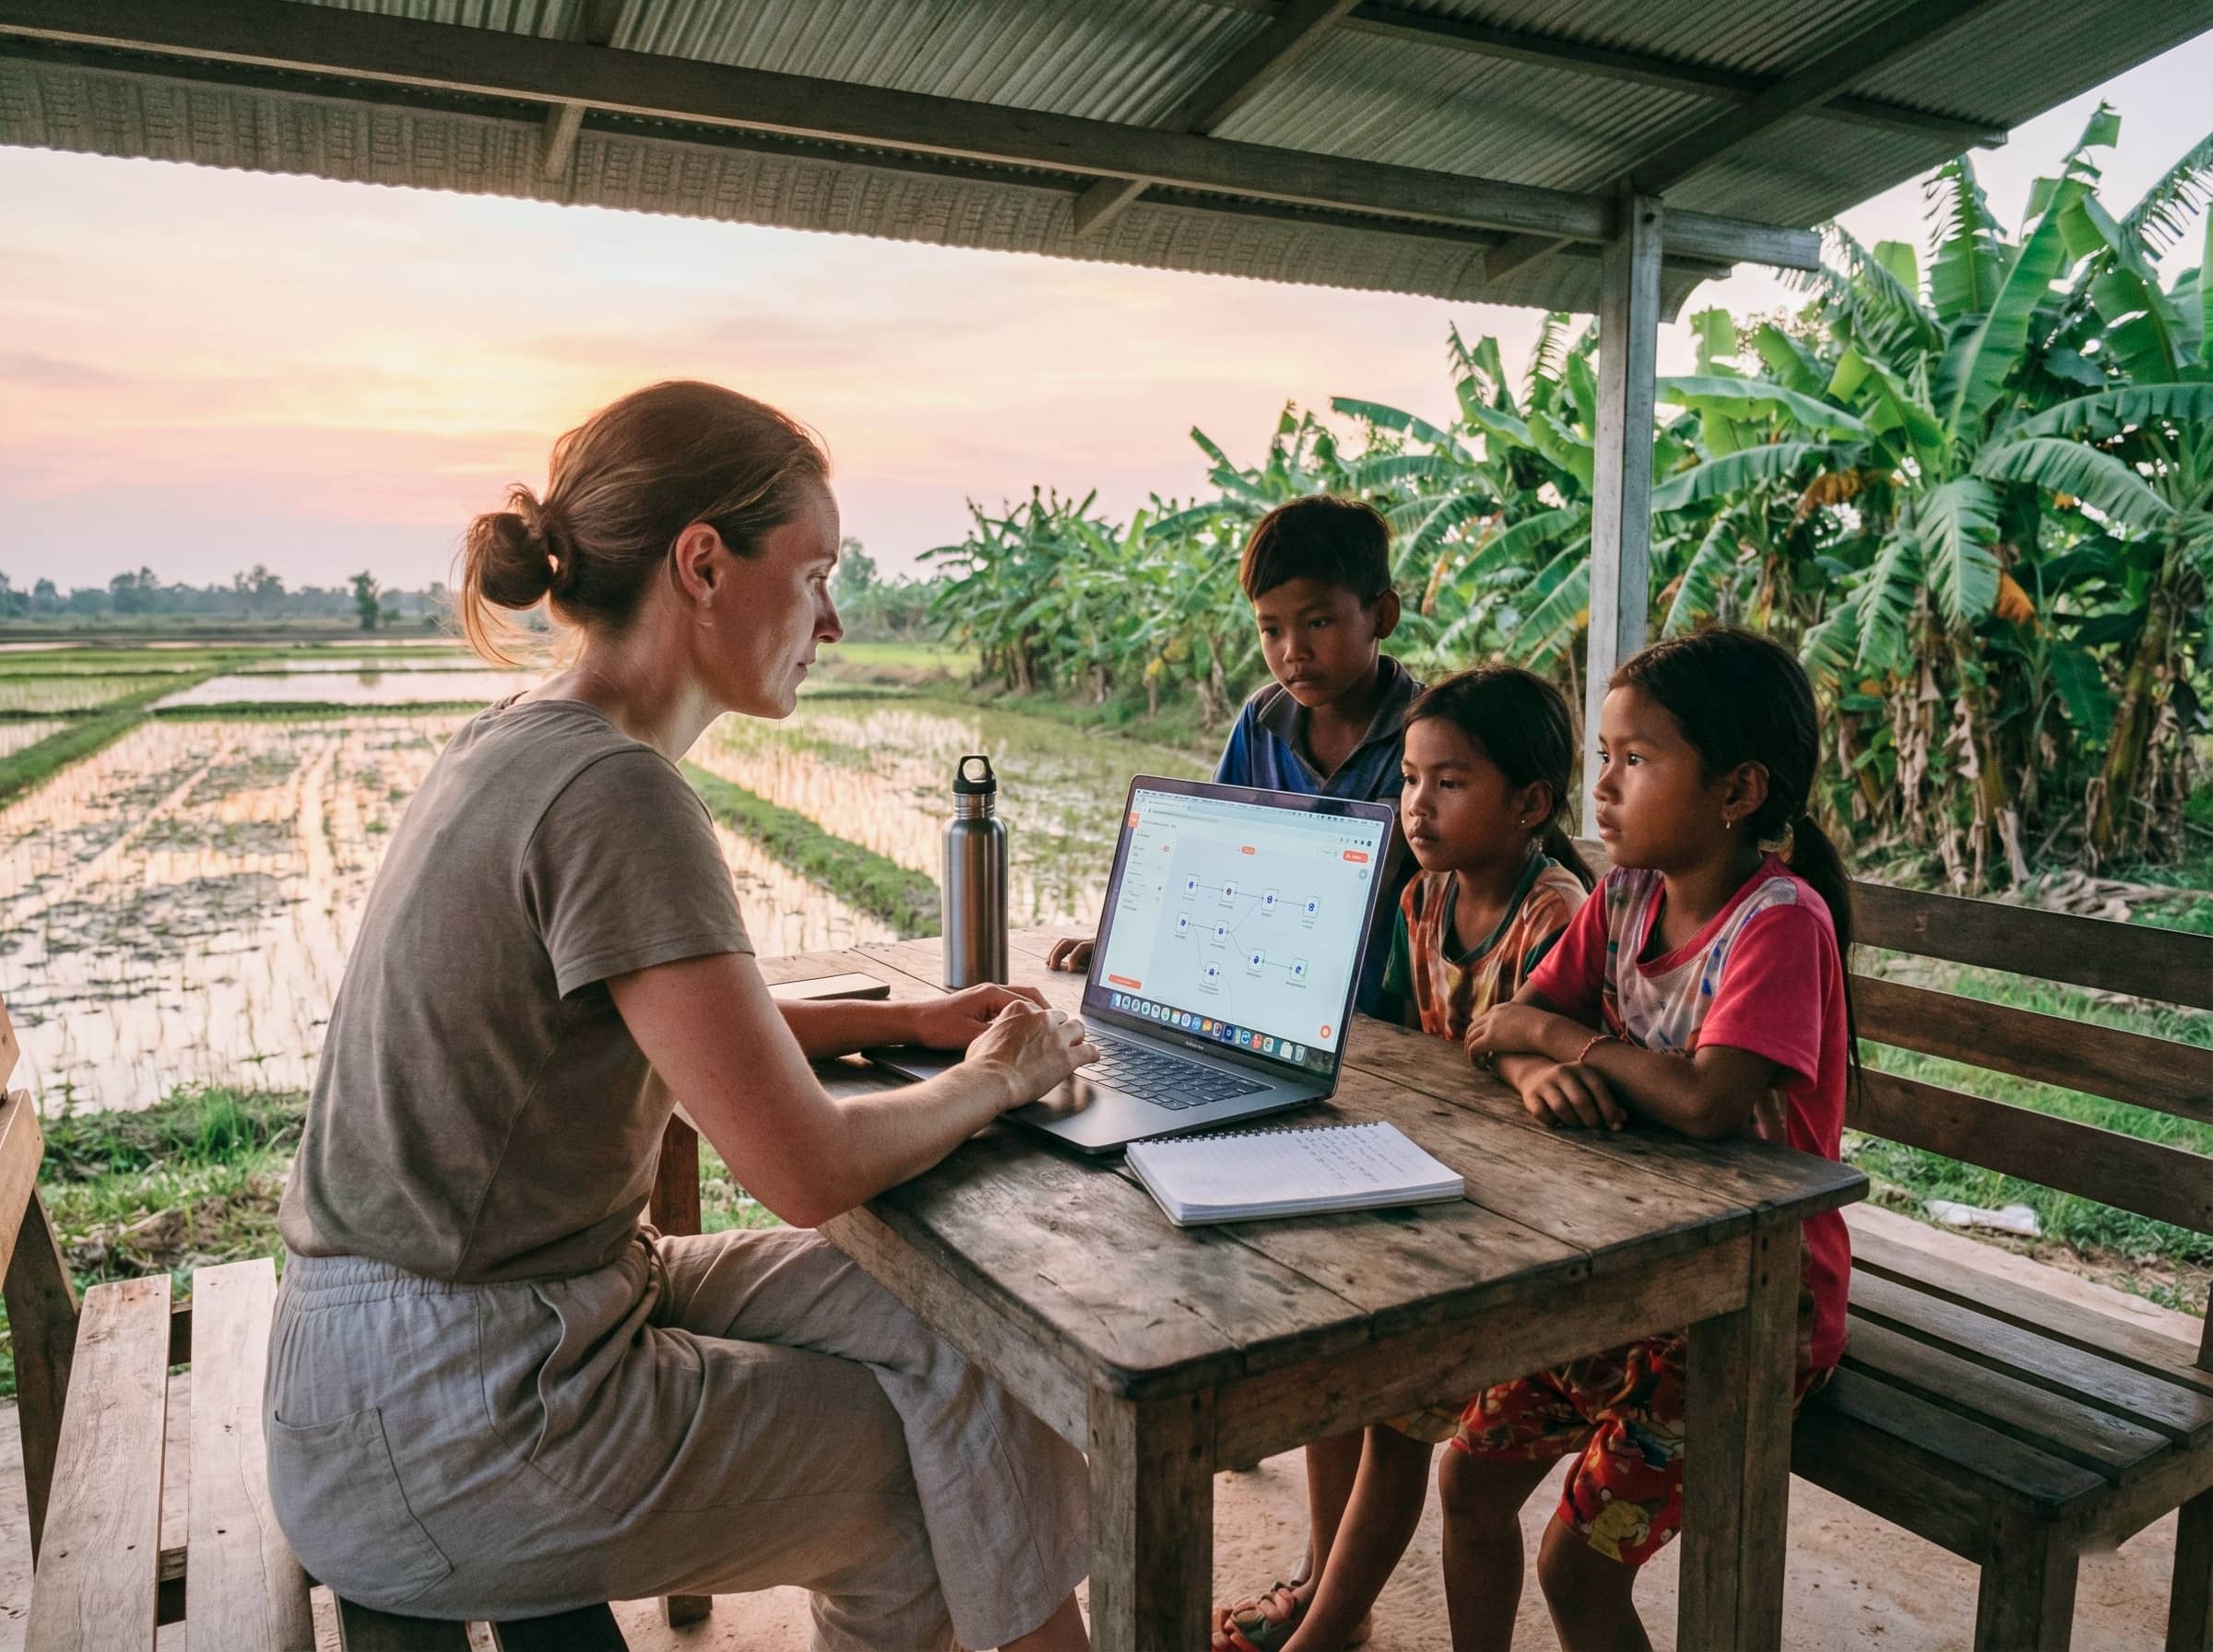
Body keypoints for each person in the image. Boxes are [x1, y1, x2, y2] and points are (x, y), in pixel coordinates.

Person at [264, 381, 1097, 1652]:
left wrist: (921, 1031)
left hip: (455, 1335)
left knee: (946, 1333)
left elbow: (652, 1013)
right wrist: (999, 1073)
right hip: (453, 1407)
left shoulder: (529, 737)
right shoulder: (617, 791)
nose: (833, 615)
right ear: (703, 565)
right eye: (815, 571)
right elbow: (805, 1168)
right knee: (919, 1480)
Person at [1444, 625, 1858, 1652]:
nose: (1606, 789)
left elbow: (1708, 1099)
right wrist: (1540, 1064)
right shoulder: (1625, 897)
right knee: (1467, 1480)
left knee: (1576, 1566)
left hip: (1754, 1305)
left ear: (1738, 789)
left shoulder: (1779, 924)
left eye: (1637, 761)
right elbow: (1505, 1025)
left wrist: (1562, 1037)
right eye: (1604, 760)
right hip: (1626, 1269)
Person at [1210, 667, 1593, 1652]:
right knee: (1370, 1383)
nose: (1416, 805)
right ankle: (1329, 1618)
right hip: (1443, 1189)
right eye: (1410, 780)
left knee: (1393, 1404)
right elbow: (1385, 1033)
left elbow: (1548, 1064)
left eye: (1449, 782)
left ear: (1532, 805)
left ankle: (1326, 1623)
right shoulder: (1423, 899)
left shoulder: (1556, 915)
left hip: (1532, 1221)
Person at [1050, 495, 1420, 1015]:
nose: (1293, 651)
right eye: (1271, 629)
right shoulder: (1261, 721)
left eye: (1317, 623)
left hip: (1386, 1023)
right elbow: (1211, 852)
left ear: (1382, 614)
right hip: (1262, 1003)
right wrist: (1132, 943)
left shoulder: (1430, 734)